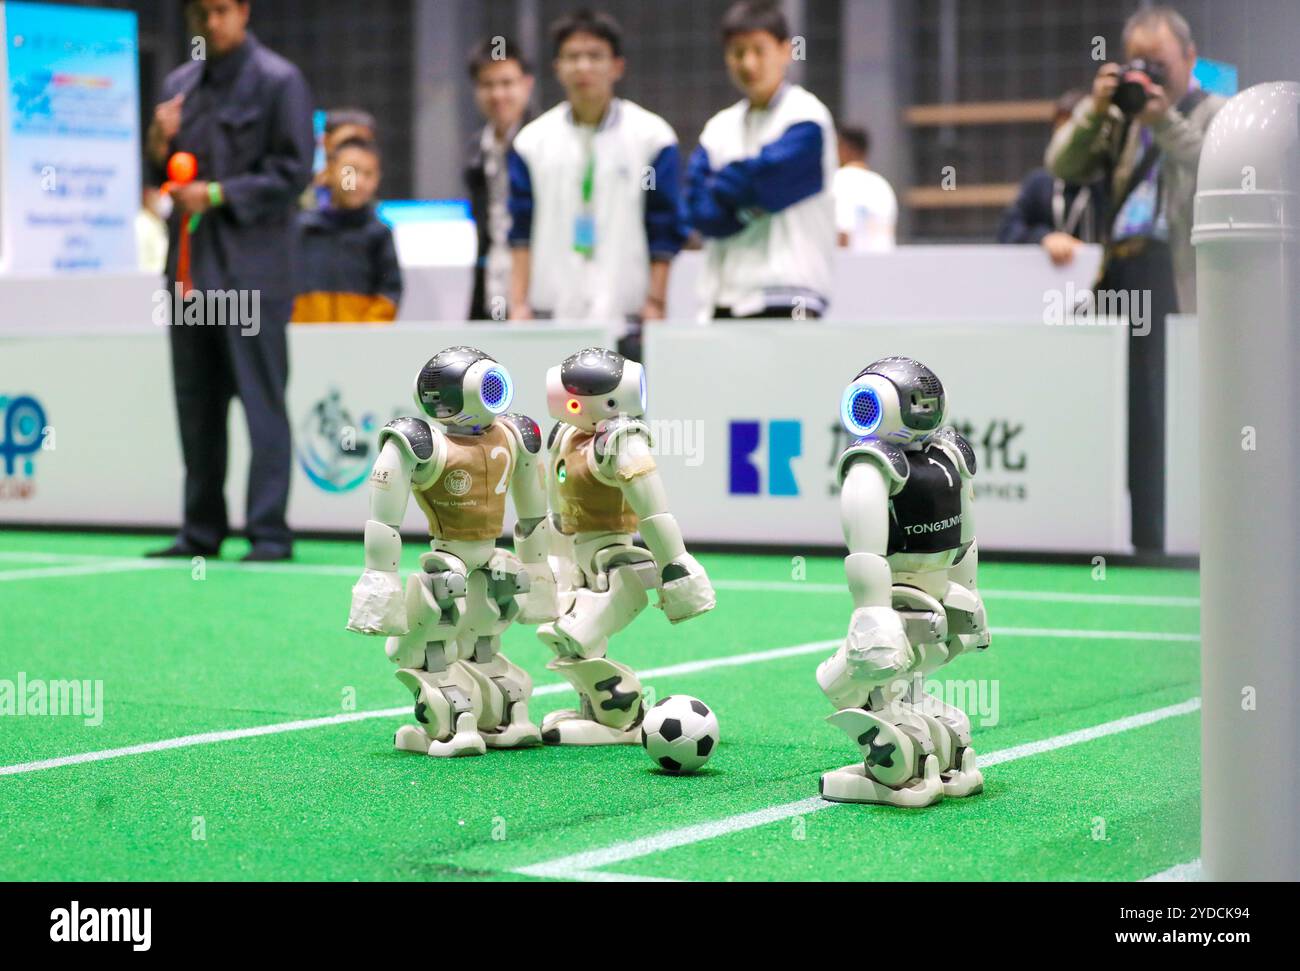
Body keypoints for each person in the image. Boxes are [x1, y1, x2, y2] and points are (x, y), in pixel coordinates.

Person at [1045, 5, 1224, 553]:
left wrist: (1160, 117)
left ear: (1190, 58)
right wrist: (1096, 111)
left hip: (1171, 273)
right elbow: (1062, 164)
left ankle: (1164, 541)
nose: (1149, 75)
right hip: (1118, 269)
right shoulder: (1119, 119)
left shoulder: (1216, 111)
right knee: (1107, 405)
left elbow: (1211, 164)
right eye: (1138, 63)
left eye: (1160, 64)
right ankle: (1112, 536)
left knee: (1159, 414)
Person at [144, 0, 314, 562]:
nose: (209, 23)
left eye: (219, 10)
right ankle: (200, 530)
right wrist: (158, 141)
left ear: (242, 10)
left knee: (262, 405)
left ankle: (268, 533)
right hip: (191, 276)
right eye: (199, 12)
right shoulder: (179, 84)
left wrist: (218, 194)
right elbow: (159, 177)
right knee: (196, 404)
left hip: (252, 277)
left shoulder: (279, 81)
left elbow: (292, 174)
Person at [507, 9, 687, 358]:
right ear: (557, 67)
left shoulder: (652, 137)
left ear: (617, 66)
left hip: (629, 318)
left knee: (625, 413)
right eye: (573, 57)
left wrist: (655, 301)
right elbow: (520, 231)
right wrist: (518, 304)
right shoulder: (531, 142)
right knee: (551, 413)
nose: (583, 67)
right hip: (550, 316)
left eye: (595, 56)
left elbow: (664, 229)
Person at [685, 0, 837, 320]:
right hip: (721, 302)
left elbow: (760, 185)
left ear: (785, 50)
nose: (748, 63)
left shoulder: (807, 117)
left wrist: (729, 188)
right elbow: (700, 211)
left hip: (790, 297)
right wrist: (750, 194)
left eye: (759, 50)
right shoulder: (717, 127)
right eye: (738, 52)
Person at [292, 137, 403, 323]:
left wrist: (366, 332)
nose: (358, 182)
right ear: (330, 169)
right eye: (350, 171)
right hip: (304, 340)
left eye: (368, 174)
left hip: (360, 345)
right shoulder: (302, 229)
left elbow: (390, 293)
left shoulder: (379, 234)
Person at [464, 36, 534, 322]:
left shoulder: (545, 144)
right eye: (487, 85)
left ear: (527, 84)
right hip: (490, 282)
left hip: (536, 289)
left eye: (507, 83)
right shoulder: (476, 150)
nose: (497, 94)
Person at [997, 90, 1106, 265]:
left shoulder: (1110, 182)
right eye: (1061, 131)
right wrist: (1044, 237)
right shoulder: (1040, 183)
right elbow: (1008, 231)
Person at [833, 125, 897, 252]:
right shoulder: (883, 186)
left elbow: (843, 233)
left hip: (853, 267)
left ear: (846, 148)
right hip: (884, 266)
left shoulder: (839, 181)